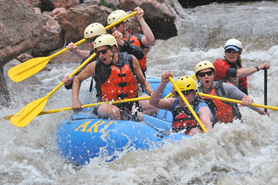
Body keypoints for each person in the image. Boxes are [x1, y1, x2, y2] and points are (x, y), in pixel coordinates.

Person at [71, 34, 154, 120]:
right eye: (98, 53)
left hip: (129, 103)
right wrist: (75, 101)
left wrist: (151, 93)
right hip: (106, 105)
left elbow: (143, 81)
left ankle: (135, 119)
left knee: (153, 107)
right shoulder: (95, 66)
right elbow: (77, 79)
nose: (101, 56)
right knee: (114, 111)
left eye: (103, 52)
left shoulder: (131, 60)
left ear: (113, 48)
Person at [195, 60, 269, 124]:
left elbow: (247, 98)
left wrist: (261, 112)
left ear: (214, 74)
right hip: (214, 130)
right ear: (198, 78)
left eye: (209, 73)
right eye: (202, 75)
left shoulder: (225, 87)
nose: (206, 76)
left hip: (234, 126)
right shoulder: (196, 93)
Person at [149, 71, 213, 136]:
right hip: (178, 136)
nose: (182, 97)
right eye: (179, 93)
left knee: (194, 131)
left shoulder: (201, 107)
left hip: (193, 138)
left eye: (185, 93)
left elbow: (207, 126)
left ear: (193, 93)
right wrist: (163, 83)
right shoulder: (174, 102)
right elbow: (153, 102)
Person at [107, 7, 155, 76]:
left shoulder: (136, 38)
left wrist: (140, 18)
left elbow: (150, 40)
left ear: (126, 24)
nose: (114, 29)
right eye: (111, 27)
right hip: (120, 79)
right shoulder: (111, 43)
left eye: (117, 25)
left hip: (138, 78)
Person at [62, 23, 106, 91]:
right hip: (103, 96)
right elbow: (76, 78)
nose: (93, 43)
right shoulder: (91, 58)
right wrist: (68, 83)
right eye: (89, 40)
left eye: (95, 39)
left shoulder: (119, 47)